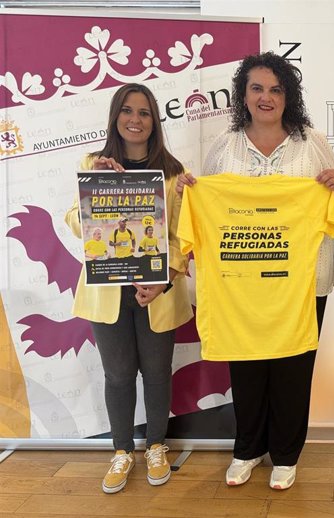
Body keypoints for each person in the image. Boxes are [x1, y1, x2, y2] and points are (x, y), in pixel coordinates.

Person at [176, 52, 334, 491]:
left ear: (288, 95)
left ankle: (287, 454)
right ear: (244, 95)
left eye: (276, 89)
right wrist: (191, 193)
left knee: (294, 370)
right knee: (248, 370)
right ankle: (248, 449)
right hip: (241, 287)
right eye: (257, 88)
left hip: (305, 281)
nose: (266, 97)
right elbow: (205, 209)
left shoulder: (312, 142)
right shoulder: (225, 146)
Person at [65, 83, 193, 494]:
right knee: (118, 375)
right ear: (115, 116)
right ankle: (121, 451)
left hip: (156, 292)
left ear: (154, 121)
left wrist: (164, 280)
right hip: (108, 292)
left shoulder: (172, 172)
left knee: (157, 374)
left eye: (143, 112)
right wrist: (92, 192)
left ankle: (156, 445)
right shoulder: (93, 162)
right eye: (127, 111)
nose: (135, 120)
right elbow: (73, 221)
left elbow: (181, 239)